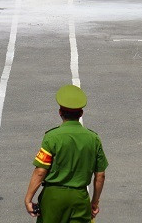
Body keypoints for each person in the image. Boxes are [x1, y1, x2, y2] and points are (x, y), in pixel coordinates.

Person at [25, 85, 108, 222]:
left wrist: (28, 199)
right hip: (79, 197)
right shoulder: (93, 139)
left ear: (60, 112)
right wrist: (94, 202)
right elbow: (100, 175)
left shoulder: (52, 137)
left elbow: (40, 171)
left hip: (53, 197)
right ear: (81, 114)